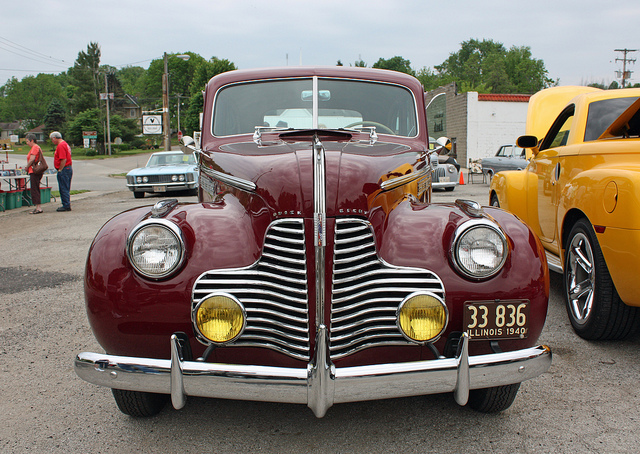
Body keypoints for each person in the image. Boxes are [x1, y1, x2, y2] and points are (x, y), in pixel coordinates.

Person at [50, 131, 73, 212]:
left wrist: (60, 169)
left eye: (52, 139)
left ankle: (66, 205)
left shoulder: (61, 145)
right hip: (67, 168)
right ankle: (66, 203)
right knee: (65, 186)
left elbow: (63, 159)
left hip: (64, 169)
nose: (52, 141)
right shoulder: (65, 144)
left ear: (54, 138)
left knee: (63, 187)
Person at [25, 133, 44, 214]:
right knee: (35, 188)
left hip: (34, 171)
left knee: (34, 189)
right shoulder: (37, 147)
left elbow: (32, 159)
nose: (27, 143)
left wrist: (27, 167)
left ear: (32, 140)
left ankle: (38, 207)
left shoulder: (34, 147)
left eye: (27, 141)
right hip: (36, 171)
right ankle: (38, 206)